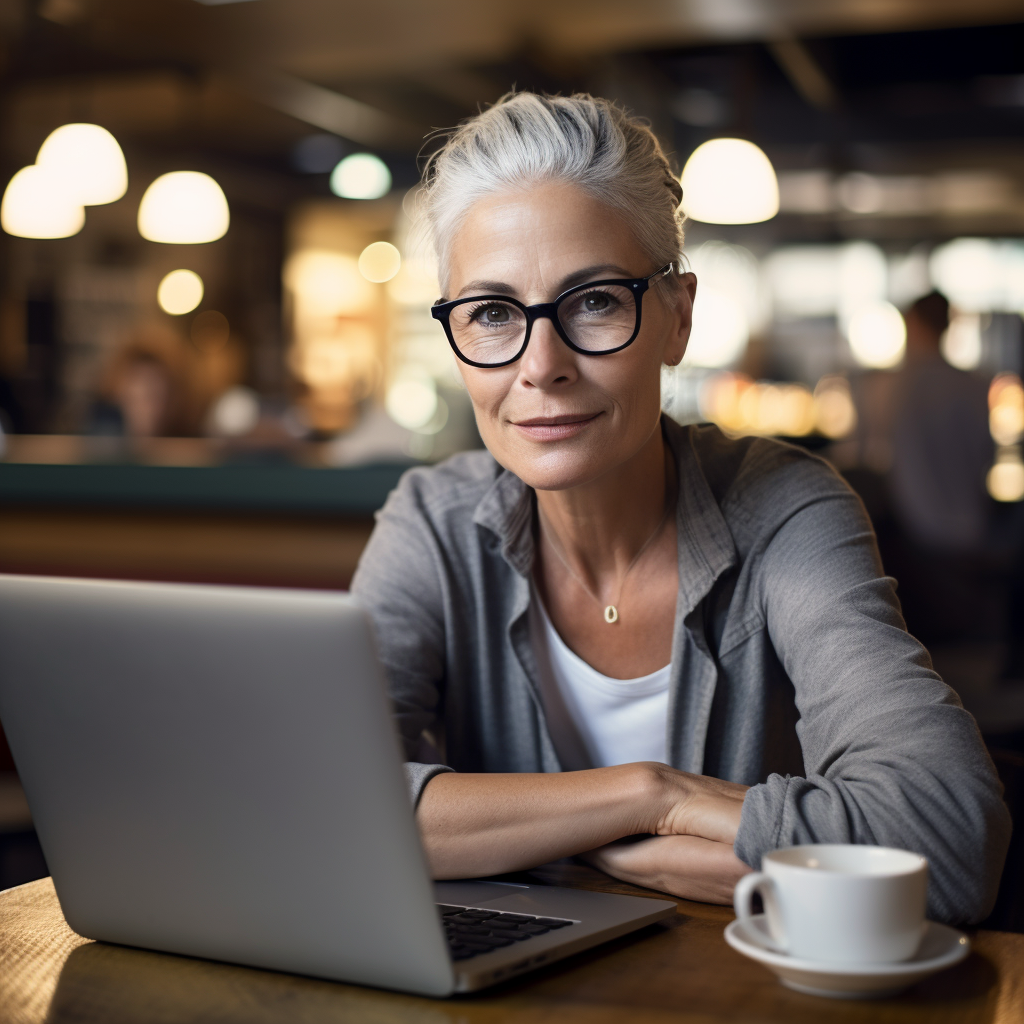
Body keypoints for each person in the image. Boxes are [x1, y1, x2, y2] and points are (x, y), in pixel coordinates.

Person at [351, 92, 1010, 924]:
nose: (541, 366)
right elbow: (314, 807)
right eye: (491, 313)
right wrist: (648, 798)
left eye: (593, 300)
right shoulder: (431, 522)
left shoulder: (786, 508)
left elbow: (947, 848)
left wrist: (514, 827)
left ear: (677, 317)